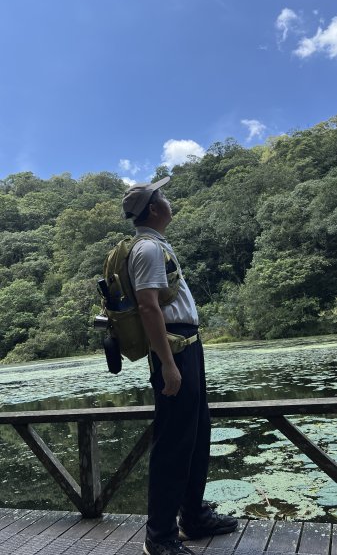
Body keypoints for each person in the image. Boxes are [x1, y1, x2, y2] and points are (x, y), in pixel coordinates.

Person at [122, 177, 238, 555]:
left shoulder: (156, 245)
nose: (169, 201)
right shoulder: (148, 250)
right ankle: (159, 537)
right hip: (174, 351)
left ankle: (193, 516)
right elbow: (148, 307)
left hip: (187, 346)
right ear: (154, 209)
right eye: (163, 196)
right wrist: (169, 366)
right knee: (173, 443)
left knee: (196, 434)